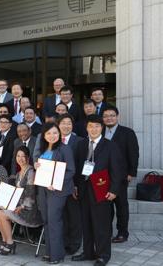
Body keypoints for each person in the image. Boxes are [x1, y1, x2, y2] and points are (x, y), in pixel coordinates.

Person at [72, 115, 124, 266]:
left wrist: (114, 190)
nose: (93, 129)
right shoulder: (81, 145)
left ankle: (103, 255)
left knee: (101, 224)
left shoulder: (110, 145)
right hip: (83, 190)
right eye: (90, 126)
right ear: (86, 128)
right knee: (86, 223)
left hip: (102, 190)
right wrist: (75, 185)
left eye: (96, 126)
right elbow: (77, 168)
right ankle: (88, 252)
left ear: (101, 128)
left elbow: (117, 170)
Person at [35, 123, 75, 264]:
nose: (52, 136)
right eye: (49, 133)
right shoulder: (43, 149)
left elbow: (71, 170)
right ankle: (49, 252)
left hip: (57, 190)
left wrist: (56, 182)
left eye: (55, 133)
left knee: (54, 221)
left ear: (59, 134)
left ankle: (57, 255)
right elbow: (41, 168)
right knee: (46, 220)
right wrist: (36, 166)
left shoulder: (65, 149)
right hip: (43, 189)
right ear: (44, 136)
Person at [0, 146, 42, 255]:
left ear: (28, 157)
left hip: (29, 210)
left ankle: (10, 243)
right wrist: (7, 204)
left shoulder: (31, 172)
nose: (20, 158)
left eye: (23, 156)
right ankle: (5, 241)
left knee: (2, 215)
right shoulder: (18, 173)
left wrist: (22, 206)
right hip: (19, 206)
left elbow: (31, 194)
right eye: (18, 156)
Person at [103, 106, 139, 243]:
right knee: (106, 205)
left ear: (117, 116)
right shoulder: (100, 131)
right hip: (103, 176)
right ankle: (107, 232)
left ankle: (123, 233)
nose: (109, 118)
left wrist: (131, 172)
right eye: (106, 116)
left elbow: (134, 153)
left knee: (121, 205)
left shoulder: (127, 133)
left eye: (112, 115)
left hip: (121, 176)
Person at [57, 114, 84, 255]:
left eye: (69, 123)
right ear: (58, 125)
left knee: (73, 216)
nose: (66, 126)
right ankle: (64, 242)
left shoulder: (79, 141)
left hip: (72, 185)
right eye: (63, 123)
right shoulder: (53, 140)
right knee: (62, 216)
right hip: (56, 186)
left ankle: (74, 244)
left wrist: (76, 185)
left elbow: (80, 166)